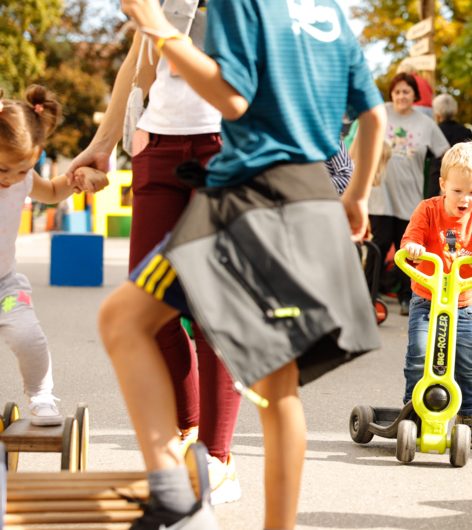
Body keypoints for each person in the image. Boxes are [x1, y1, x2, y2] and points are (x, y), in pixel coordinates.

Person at [100, 0, 387, 527]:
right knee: (279, 391)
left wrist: (160, 29)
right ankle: (227, 503)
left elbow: (232, 98)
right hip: (301, 196)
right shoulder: (329, 18)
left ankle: (178, 493)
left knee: (121, 321)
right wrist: (357, 198)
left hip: (245, 197)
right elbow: (373, 117)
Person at [67, 8, 244, 502]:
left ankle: (218, 458)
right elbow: (136, 60)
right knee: (149, 307)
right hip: (157, 144)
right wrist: (103, 144)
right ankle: (187, 432)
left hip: (225, 145)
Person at [0, 87, 108, 426]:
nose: (13, 179)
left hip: (4, 289)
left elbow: (51, 191)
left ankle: (41, 396)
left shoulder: (22, 176)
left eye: (23, 170)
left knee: (27, 336)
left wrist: (77, 179)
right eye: (4, 169)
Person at [400, 142, 472, 451]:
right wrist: (415, 249)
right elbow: (410, 240)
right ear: (443, 185)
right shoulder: (428, 209)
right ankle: (412, 410)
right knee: (419, 353)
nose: (465, 199)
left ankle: (468, 416)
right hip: (426, 297)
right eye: (458, 191)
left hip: (463, 303)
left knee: (465, 360)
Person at [369, 72, 450, 316]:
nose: (401, 96)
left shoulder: (426, 124)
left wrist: (438, 188)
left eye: (406, 91)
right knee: (378, 246)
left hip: (410, 197)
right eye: (397, 91)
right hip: (379, 195)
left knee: (410, 250)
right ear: (391, 94)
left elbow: (445, 153)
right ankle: (367, 296)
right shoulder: (380, 113)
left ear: (414, 95)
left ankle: (408, 297)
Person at [427, 94, 472, 197]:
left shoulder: (433, 131)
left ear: (437, 114)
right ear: (455, 111)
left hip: (436, 184)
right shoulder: (466, 132)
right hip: (462, 188)